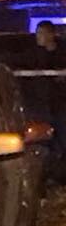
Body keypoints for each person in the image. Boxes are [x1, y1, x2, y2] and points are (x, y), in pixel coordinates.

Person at [31, 21, 66, 181]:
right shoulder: (34, 55)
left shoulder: (62, 54)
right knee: (43, 144)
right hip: (41, 108)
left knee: (62, 141)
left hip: (61, 107)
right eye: (37, 33)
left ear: (51, 35)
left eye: (41, 33)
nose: (38, 37)